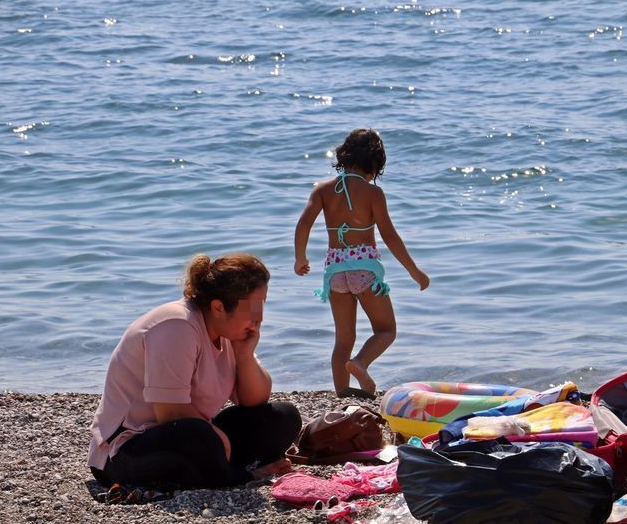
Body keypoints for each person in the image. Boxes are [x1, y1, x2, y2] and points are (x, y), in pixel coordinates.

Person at [88, 253, 301, 490]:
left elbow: (255, 399)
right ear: (218, 307)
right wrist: (216, 439)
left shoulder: (228, 331)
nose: (259, 317)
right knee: (198, 435)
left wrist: (244, 355)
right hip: (126, 453)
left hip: (188, 436)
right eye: (251, 308)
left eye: (262, 304)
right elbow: (170, 412)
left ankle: (219, 467)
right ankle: (241, 476)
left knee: (283, 416)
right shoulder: (178, 325)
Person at [294, 128, 429, 399]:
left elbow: (304, 223)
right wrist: (415, 272)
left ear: (345, 155)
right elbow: (389, 235)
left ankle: (343, 395)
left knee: (343, 340)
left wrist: (300, 258)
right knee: (386, 329)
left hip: (334, 272)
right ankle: (361, 363)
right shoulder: (373, 193)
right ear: (375, 164)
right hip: (364, 270)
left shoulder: (322, 189)